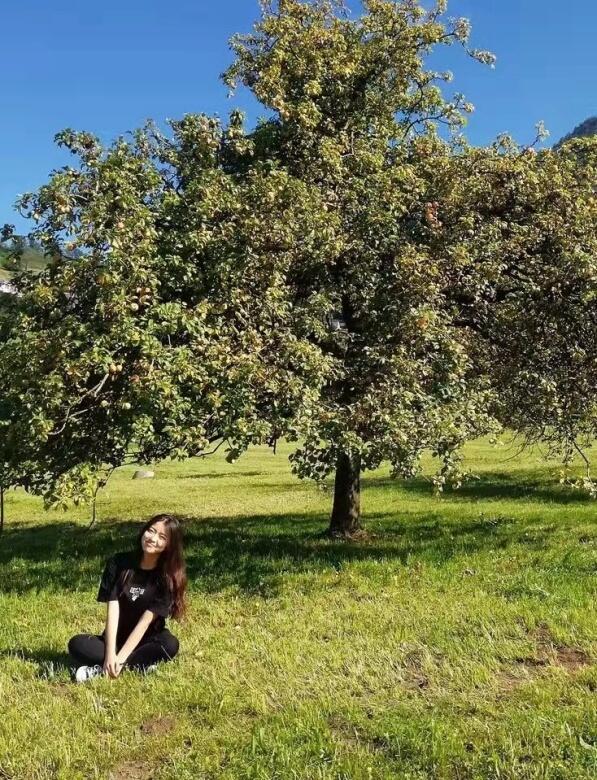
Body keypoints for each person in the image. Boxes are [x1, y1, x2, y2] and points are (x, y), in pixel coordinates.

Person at [68, 514, 187, 682]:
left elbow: (145, 622)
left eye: (162, 537)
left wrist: (121, 658)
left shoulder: (167, 578)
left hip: (147, 640)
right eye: (151, 531)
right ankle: (137, 666)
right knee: (77, 644)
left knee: (170, 644)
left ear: (169, 545)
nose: (153, 539)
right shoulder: (118, 563)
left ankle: (107, 669)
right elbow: (112, 611)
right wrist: (110, 653)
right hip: (115, 639)